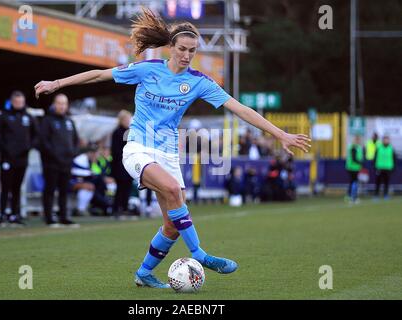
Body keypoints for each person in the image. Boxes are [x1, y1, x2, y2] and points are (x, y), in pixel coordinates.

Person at [34, 8, 310, 289]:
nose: (187, 55)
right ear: (171, 47)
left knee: (172, 226)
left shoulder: (199, 82)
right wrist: (57, 83)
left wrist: (279, 134)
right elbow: (98, 76)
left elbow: (239, 108)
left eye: (192, 50)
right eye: (182, 49)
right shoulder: (147, 69)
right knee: (174, 191)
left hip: (167, 154)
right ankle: (200, 255)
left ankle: (143, 273)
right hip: (138, 147)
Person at [0, 91, 39, 224]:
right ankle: (2, 213)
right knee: (5, 187)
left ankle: (15, 214)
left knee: (17, 187)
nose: (18, 104)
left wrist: (28, 147)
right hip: (7, 158)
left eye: (21, 102)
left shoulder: (29, 117)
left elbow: (36, 135)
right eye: (16, 102)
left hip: (22, 158)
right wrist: (6, 150)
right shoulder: (3, 117)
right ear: (12, 102)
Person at [39, 94, 79, 226]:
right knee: (50, 190)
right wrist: (55, 155)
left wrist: (72, 153)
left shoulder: (69, 121)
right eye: (59, 103)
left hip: (66, 163)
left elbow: (75, 140)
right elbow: (44, 142)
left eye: (64, 104)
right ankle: (49, 217)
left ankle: (63, 216)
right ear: (54, 104)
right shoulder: (47, 120)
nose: (62, 106)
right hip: (51, 163)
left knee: (64, 191)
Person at [110, 110, 133, 216]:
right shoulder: (117, 132)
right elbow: (116, 151)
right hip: (119, 165)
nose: (128, 121)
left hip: (128, 165)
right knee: (120, 188)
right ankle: (116, 209)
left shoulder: (130, 132)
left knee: (127, 187)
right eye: (127, 119)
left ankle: (125, 208)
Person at [374, 135, 396, 199]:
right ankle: (376, 195)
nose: (386, 141)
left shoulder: (391, 148)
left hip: (388, 168)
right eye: (385, 139)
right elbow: (375, 158)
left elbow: (394, 158)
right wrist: (375, 166)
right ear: (383, 140)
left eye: (387, 139)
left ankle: (385, 194)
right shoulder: (379, 148)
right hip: (379, 167)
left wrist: (393, 167)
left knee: (386, 182)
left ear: (389, 141)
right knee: (378, 182)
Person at [345, 135, 364, 203]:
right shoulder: (353, 148)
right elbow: (354, 159)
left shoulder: (358, 148)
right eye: (357, 140)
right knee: (354, 182)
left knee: (352, 182)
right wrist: (360, 162)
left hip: (354, 167)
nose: (358, 141)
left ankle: (350, 195)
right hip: (352, 167)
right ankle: (353, 197)